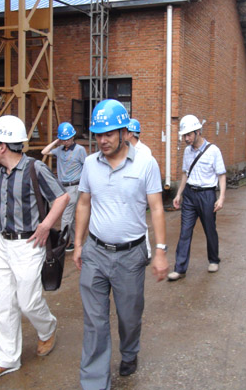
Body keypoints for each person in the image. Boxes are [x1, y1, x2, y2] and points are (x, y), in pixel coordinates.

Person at [73, 99, 169, 389]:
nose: (102, 140)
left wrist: (161, 251)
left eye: (109, 134)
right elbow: (83, 203)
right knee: (95, 322)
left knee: (129, 316)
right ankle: (94, 382)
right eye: (98, 135)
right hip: (95, 252)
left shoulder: (146, 163)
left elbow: (157, 208)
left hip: (130, 256)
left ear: (125, 132)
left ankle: (129, 351)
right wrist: (78, 244)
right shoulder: (90, 164)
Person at [0, 115, 70, 383]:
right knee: (3, 304)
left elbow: (62, 197)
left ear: (3, 146)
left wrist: (46, 226)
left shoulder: (35, 169)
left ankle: (47, 329)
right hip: (3, 245)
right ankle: (7, 359)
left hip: (29, 244)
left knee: (28, 302)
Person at [168, 114, 226, 282]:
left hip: (207, 195)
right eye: (184, 135)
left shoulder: (213, 151)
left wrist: (221, 198)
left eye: (188, 135)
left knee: (209, 229)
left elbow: (221, 175)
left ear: (198, 131)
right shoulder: (187, 151)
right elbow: (185, 174)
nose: (186, 138)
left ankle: (213, 260)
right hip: (189, 195)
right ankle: (180, 269)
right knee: (185, 232)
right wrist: (179, 193)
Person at [41, 121, 87, 251]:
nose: (66, 142)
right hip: (62, 187)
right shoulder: (59, 150)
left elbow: (86, 167)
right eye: (64, 139)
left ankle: (62, 243)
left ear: (73, 137)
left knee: (66, 217)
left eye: (68, 139)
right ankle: (74, 242)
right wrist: (57, 141)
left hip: (74, 187)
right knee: (71, 217)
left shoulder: (80, 150)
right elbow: (44, 151)